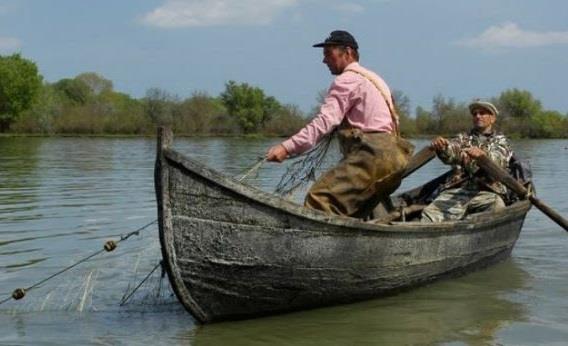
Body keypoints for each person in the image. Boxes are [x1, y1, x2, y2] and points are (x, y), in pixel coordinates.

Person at [266, 30, 414, 218]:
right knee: (355, 212)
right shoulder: (376, 80)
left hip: (372, 158)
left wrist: (286, 148)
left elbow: (324, 122)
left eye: (329, 54)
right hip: (395, 161)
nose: (324, 61)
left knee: (319, 199)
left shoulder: (347, 80)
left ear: (348, 52)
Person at [421, 100, 513, 223]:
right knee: (429, 214)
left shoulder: (501, 142)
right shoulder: (463, 138)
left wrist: (482, 157)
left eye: (482, 113)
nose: (477, 116)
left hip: (488, 192)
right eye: (475, 114)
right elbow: (452, 154)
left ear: (492, 118)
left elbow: (498, 162)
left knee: (497, 210)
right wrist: (443, 147)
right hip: (459, 191)